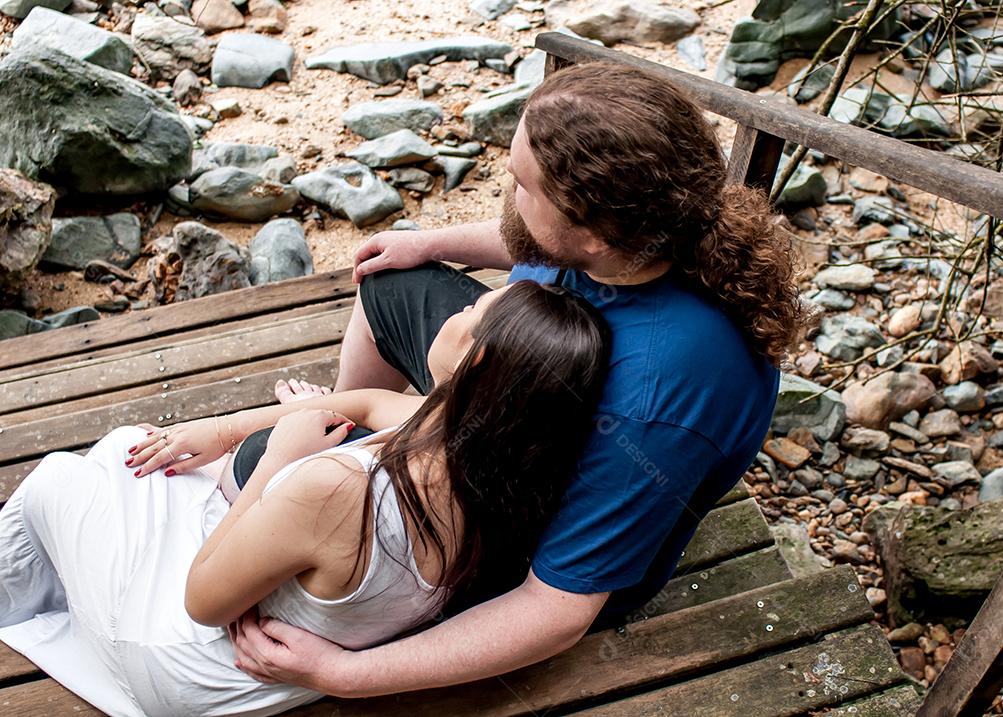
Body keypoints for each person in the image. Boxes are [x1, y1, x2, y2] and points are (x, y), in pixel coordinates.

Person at [231, 61, 803, 697]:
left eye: (523, 184)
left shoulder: (652, 406)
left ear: (594, 229)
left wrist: (344, 674)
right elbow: (536, 243)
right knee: (390, 284)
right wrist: (432, 243)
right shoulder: (652, 232)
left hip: (534, 527)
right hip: (528, 384)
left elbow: (556, 611)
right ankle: (359, 437)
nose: (510, 189)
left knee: (262, 465)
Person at [0, 281, 611, 717]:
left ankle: (19, 600)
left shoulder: (342, 491)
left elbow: (203, 602)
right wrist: (225, 431)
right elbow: (373, 405)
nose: (458, 307)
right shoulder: (502, 471)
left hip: (194, 666)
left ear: (475, 358)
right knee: (138, 452)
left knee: (63, 476)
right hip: (287, 672)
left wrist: (277, 458)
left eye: (472, 306)